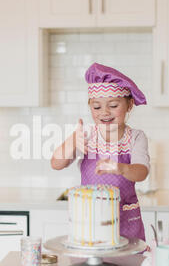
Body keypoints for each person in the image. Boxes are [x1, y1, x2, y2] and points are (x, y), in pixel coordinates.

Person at [51, 63, 150, 242]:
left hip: (126, 223)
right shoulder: (86, 134)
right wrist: (73, 141)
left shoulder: (136, 137)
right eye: (97, 107)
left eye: (113, 105)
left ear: (129, 105)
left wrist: (121, 168)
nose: (104, 112)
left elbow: (142, 172)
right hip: (90, 222)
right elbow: (56, 163)